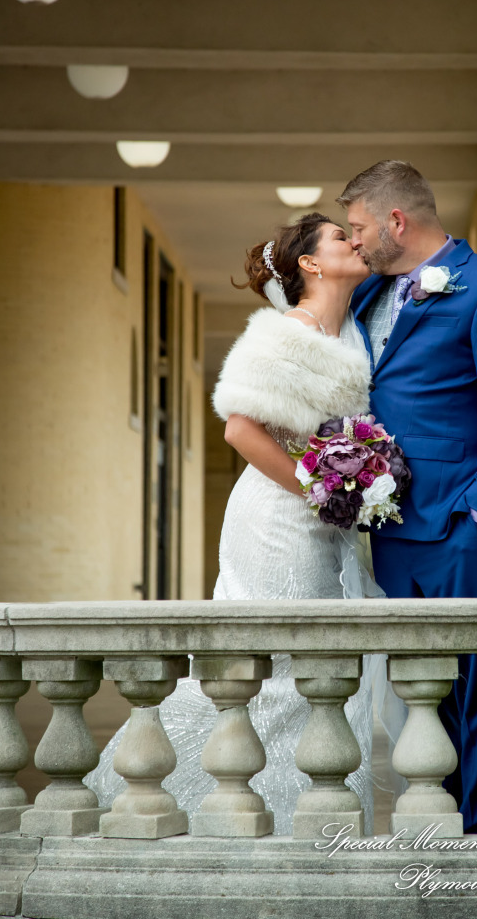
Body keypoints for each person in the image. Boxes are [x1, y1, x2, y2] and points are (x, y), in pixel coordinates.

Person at [86, 212, 383, 834]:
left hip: (325, 523)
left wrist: (354, 482)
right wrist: (318, 487)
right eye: (339, 237)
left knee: (313, 668)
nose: (355, 242)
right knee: (271, 666)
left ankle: (297, 808)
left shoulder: (353, 332)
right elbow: (240, 428)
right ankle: (169, 793)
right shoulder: (281, 333)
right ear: (310, 263)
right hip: (276, 520)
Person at [337, 160, 477, 833]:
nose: (355, 241)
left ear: (397, 220)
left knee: (475, 687)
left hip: (457, 521)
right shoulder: (368, 294)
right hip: (390, 523)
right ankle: (436, 814)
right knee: (419, 686)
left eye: (360, 227)